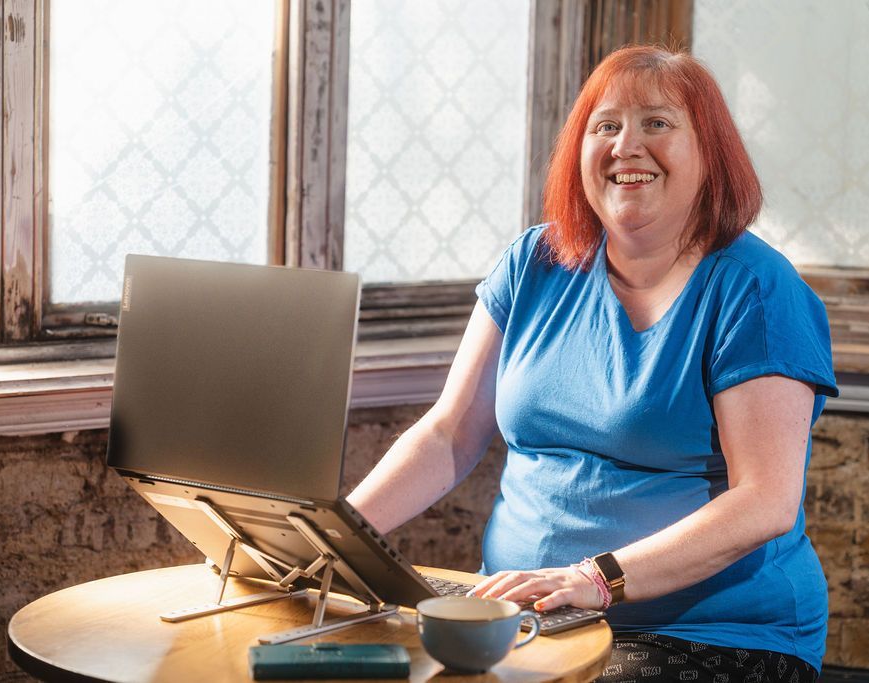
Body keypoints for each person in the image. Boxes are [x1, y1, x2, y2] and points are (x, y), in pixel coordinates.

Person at [348, 45, 836, 683]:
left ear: (709, 153)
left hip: (705, 634)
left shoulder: (757, 291)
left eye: (657, 123)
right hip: (527, 617)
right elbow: (449, 433)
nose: (626, 145)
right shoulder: (534, 262)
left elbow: (764, 501)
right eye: (606, 126)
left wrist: (597, 579)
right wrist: (334, 536)